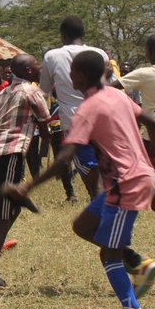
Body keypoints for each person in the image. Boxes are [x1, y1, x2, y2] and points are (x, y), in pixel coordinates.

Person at [7, 49, 155, 309]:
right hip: (134, 178)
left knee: (108, 254)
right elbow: (153, 123)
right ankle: (139, 265)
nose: (69, 76)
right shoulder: (117, 96)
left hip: (125, 183)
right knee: (83, 226)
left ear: (80, 76)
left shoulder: (88, 108)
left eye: (73, 71)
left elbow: (65, 159)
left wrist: (28, 186)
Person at [0, 54, 50, 299]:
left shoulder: (3, 93)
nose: (40, 68)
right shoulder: (31, 90)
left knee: (6, 212)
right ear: (27, 70)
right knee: (4, 221)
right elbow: (46, 121)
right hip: (10, 153)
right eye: (37, 65)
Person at [42, 16, 109, 198]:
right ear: (84, 33)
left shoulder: (52, 56)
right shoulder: (100, 53)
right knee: (105, 175)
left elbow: (44, 91)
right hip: (103, 121)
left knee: (92, 182)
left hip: (74, 125)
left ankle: (101, 219)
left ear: (62, 35)